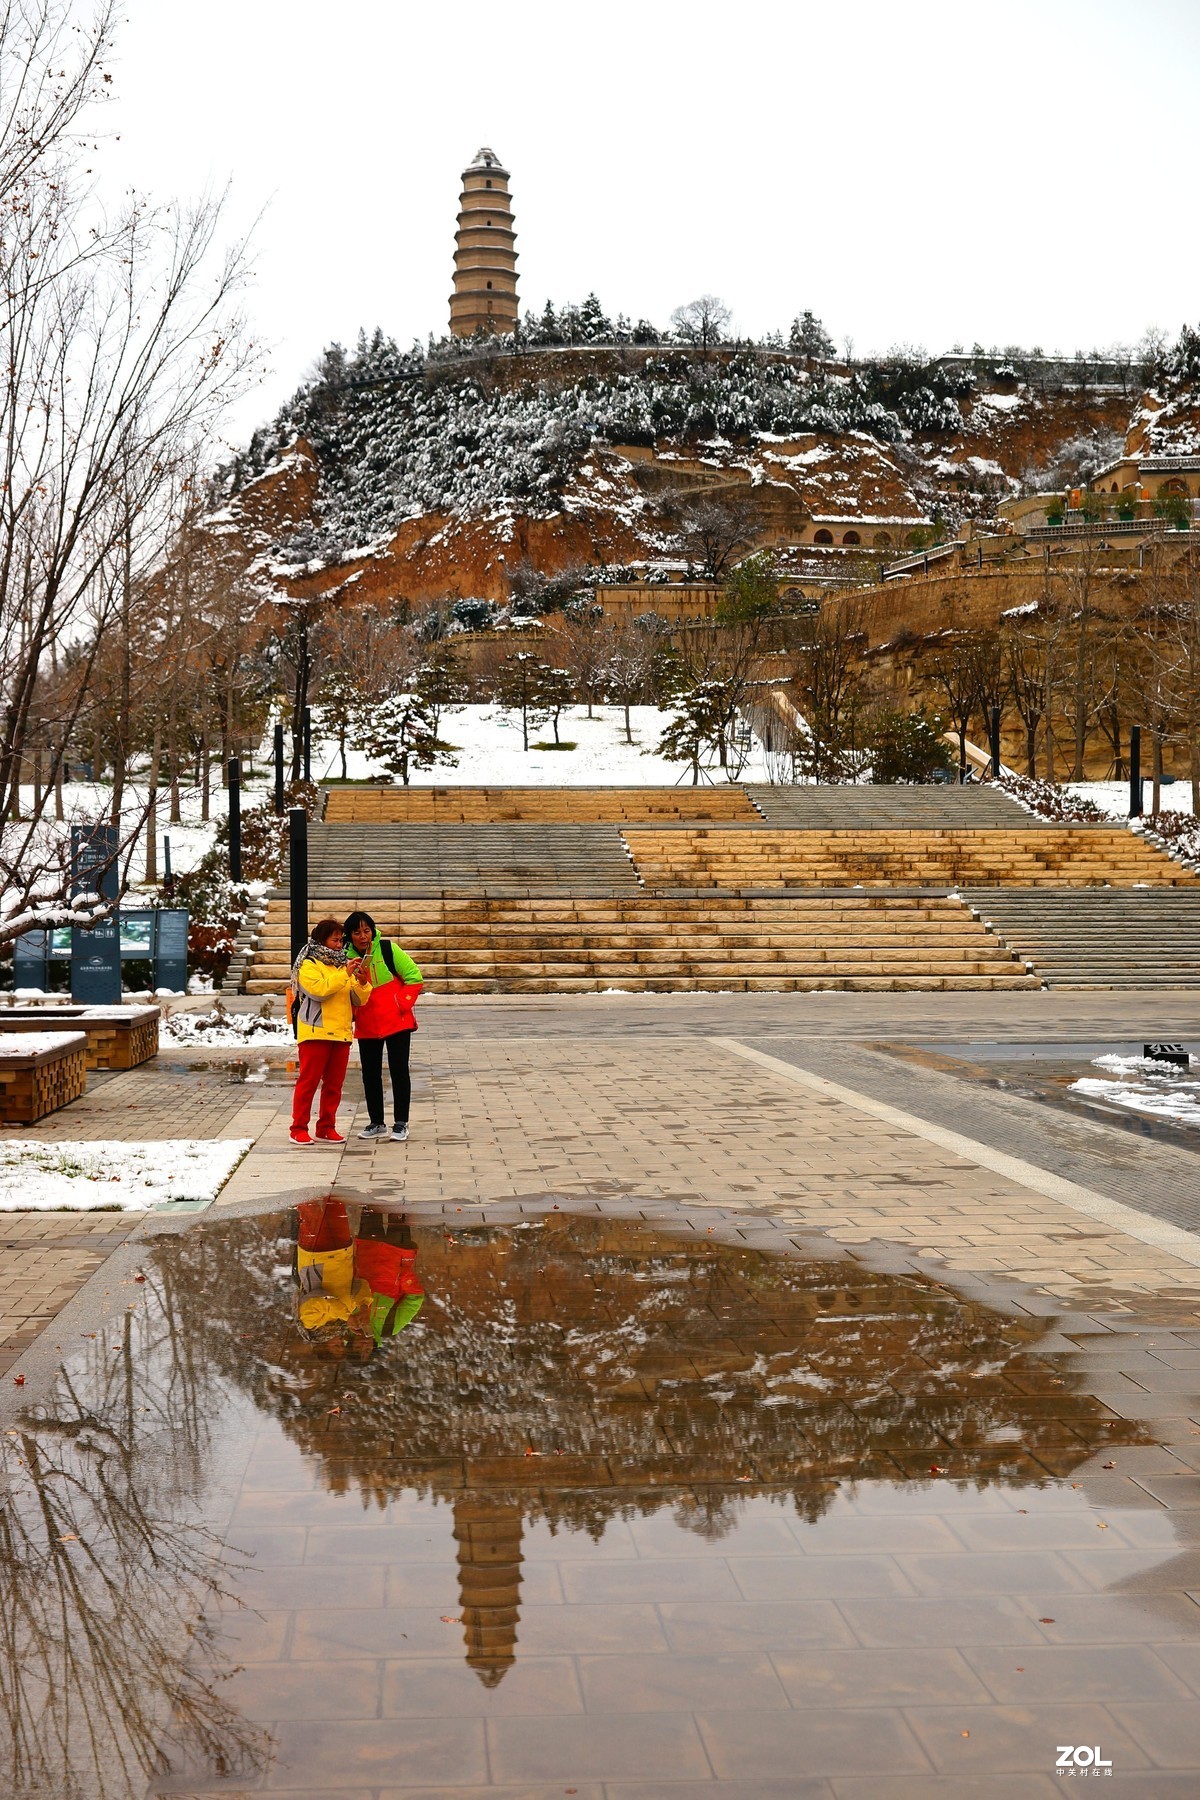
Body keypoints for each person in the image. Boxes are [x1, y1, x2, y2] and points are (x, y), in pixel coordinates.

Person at [342, 909, 423, 1142]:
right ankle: (376, 1122)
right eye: (356, 932)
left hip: (397, 1021)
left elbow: (414, 977)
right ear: (349, 935)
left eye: (366, 930)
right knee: (370, 1074)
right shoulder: (345, 959)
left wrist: (401, 1004)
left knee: (399, 1071)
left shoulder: (388, 949)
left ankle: (401, 1123)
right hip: (367, 1024)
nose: (363, 936)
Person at [289, 917, 371, 1146]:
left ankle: (326, 1127)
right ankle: (297, 1128)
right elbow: (319, 990)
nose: (339, 944)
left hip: (341, 1032)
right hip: (316, 1032)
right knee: (308, 1083)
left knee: (334, 1086)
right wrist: (344, 973)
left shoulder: (341, 965)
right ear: (321, 941)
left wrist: (363, 983)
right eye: (335, 940)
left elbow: (358, 998)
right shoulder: (308, 964)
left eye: (340, 940)